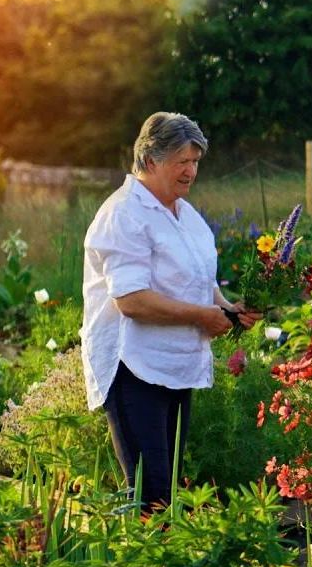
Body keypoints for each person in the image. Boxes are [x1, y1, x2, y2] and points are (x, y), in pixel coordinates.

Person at [80, 112, 260, 510]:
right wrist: (200, 317)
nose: (191, 171)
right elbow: (131, 299)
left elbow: (197, 279)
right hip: (134, 368)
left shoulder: (185, 215)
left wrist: (227, 308)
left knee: (169, 492)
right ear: (150, 161)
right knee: (151, 496)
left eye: (195, 161)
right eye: (182, 161)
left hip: (173, 366)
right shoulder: (125, 213)